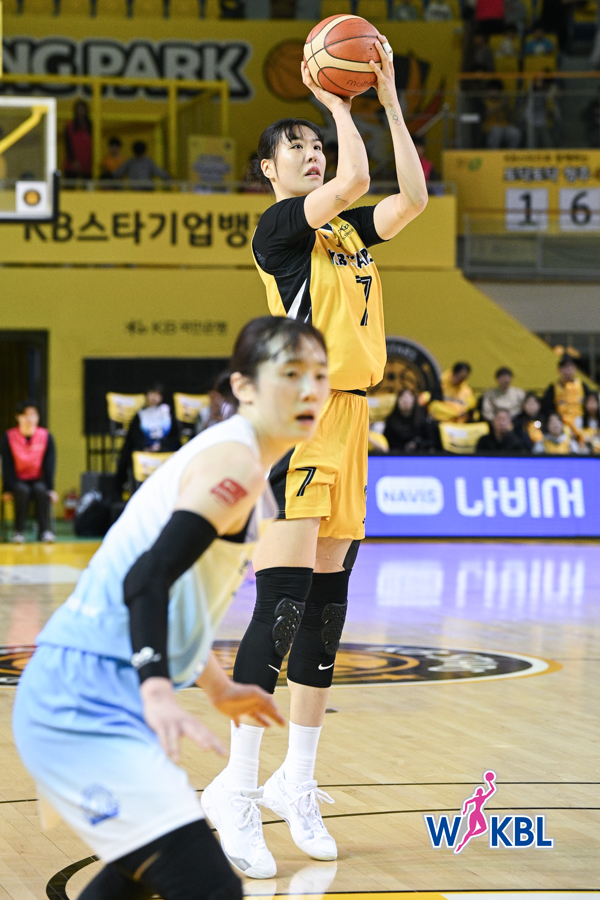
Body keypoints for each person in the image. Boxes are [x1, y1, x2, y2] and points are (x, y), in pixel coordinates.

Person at [202, 36, 428, 879]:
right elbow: (358, 178)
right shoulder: (279, 232)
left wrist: (390, 99)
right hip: (302, 418)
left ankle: (295, 782)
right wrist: (337, 101)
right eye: (295, 145)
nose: (312, 150)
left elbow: (413, 196)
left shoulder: (348, 236)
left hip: (355, 418)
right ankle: (235, 787)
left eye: (315, 141)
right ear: (269, 170)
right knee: (283, 604)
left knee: (328, 610)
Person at [12, 316, 330, 900]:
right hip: (79, 700)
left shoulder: (244, 464)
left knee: (137, 877)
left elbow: (177, 599)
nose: (310, 389)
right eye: (291, 374)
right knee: (208, 888)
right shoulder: (234, 463)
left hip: (88, 691)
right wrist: (158, 689)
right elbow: (146, 578)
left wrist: (217, 687)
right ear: (244, 387)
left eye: (320, 374)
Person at [1, 401, 57, 544]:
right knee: (22, 491)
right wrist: (7, 489)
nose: (30, 418)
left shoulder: (46, 436)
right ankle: (19, 531)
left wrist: (51, 488)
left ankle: (44, 531)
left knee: (41, 490)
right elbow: (7, 465)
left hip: (39, 479)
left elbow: (49, 465)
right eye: (26, 415)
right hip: (18, 480)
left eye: (33, 414)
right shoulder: (9, 437)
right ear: (18, 417)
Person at [115, 385, 180, 497]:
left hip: (166, 449)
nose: (154, 398)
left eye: (158, 395)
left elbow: (175, 436)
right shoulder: (140, 415)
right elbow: (134, 436)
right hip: (144, 450)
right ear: (146, 395)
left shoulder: (168, 412)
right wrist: (145, 447)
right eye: (152, 394)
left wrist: (160, 446)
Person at [541, 353, 589, 434]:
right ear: (559, 370)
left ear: (575, 369)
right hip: (561, 426)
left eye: (570, 367)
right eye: (565, 368)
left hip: (581, 423)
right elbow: (547, 409)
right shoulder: (553, 388)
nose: (568, 371)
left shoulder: (582, 386)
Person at [383, 389, 431, 453]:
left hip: (419, 454)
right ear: (398, 401)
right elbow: (387, 441)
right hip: (397, 454)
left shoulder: (422, 419)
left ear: (414, 401)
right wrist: (403, 446)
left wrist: (417, 444)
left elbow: (429, 441)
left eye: (408, 398)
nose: (405, 401)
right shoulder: (391, 420)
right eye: (403, 398)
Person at [483, 80, 521, 149]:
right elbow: (484, 115)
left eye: (495, 90)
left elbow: (510, 117)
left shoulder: (502, 101)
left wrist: (507, 106)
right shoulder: (485, 101)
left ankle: (511, 153)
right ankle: (493, 153)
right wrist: (500, 105)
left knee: (515, 132)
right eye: (491, 90)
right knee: (496, 131)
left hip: (504, 126)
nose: (494, 92)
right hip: (490, 127)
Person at [64, 100, 92, 180]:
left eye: (82, 109)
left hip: (87, 165)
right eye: (79, 109)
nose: (81, 112)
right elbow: (67, 145)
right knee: (69, 186)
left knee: (88, 187)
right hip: (71, 165)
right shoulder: (69, 126)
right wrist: (73, 161)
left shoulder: (90, 126)